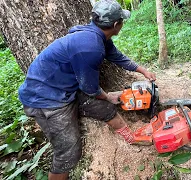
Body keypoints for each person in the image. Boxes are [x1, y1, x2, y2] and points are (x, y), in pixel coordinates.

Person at [18, 0, 156, 179]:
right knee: (68, 152)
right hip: (46, 99)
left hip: (64, 90)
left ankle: (130, 137)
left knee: (106, 109)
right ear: (116, 25)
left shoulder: (97, 36)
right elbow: (89, 88)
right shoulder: (90, 48)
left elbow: (116, 56)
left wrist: (142, 70)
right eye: (122, 21)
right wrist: (108, 96)